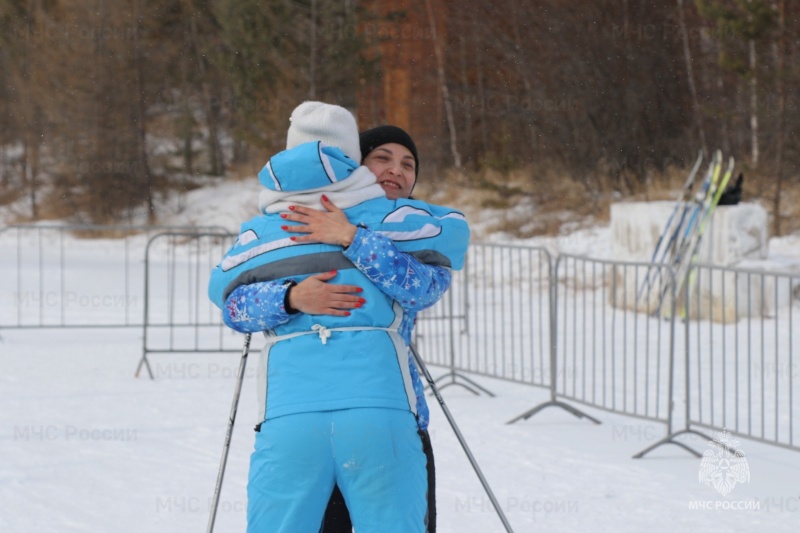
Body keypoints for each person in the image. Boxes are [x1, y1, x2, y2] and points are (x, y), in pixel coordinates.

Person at [208, 102, 469, 532]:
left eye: (408, 164)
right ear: (354, 167)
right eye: (382, 158)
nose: (396, 170)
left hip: (398, 411)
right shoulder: (292, 226)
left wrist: (352, 237)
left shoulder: (411, 233)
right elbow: (235, 307)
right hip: (318, 413)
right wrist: (292, 297)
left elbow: (422, 289)